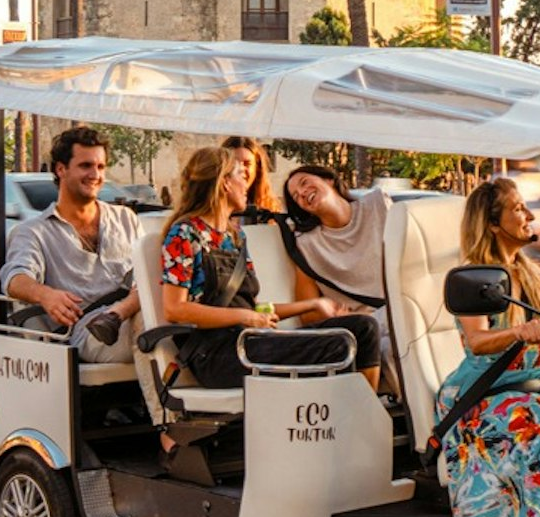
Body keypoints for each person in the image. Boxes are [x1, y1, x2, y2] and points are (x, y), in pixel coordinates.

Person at [436, 179, 540, 517]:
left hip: (532, 388)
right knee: (536, 426)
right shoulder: (472, 278)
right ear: (493, 223)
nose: (528, 214)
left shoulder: (532, 272)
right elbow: (478, 341)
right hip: (483, 397)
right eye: (517, 208)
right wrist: (520, 331)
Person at [161, 147, 381, 390]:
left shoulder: (235, 237)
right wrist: (246, 317)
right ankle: (347, 420)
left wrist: (312, 304)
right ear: (225, 184)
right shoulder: (184, 234)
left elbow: (252, 308)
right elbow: (175, 309)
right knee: (338, 345)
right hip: (216, 356)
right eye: (240, 176)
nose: (247, 184)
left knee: (363, 328)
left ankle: (359, 415)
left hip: (252, 342)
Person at [1, 126, 141, 363]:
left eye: (100, 167)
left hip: (132, 313)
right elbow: (16, 279)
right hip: (86, 332)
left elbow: (149, 272)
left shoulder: (125, 218)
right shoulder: (33, 231)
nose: (95, 174)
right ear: (61, 169)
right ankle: (165, 401)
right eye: (85, 166)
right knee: (153, 324)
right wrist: (45, 295)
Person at [282, 165, 393, 380]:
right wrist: (345, 317)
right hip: (367, 328)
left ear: (329, 180)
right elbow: (309, 316)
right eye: (296, 196)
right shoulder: (307, 247)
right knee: (391, 348)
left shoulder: (378, 204)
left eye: (304, 183)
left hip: (405, 312)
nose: (302, 193)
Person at [222, 136, 280, 212]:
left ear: (257, 168)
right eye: (234, 163)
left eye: (247, 164)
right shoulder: (211, 209)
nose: (241, 169)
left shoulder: (268, 210)